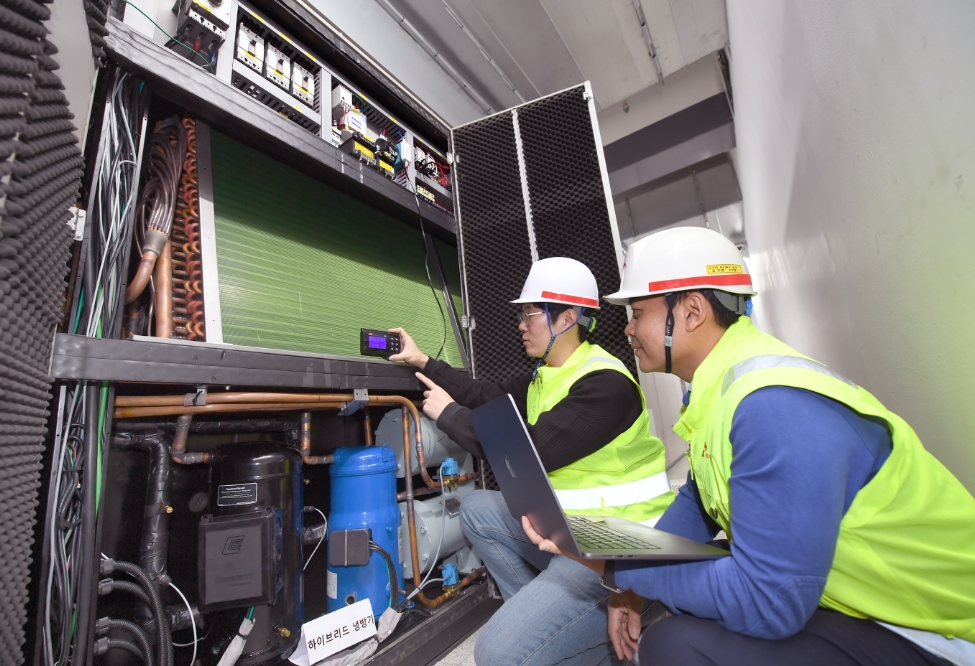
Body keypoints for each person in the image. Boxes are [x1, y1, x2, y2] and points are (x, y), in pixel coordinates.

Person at [522, 227, 975, 666]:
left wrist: (609, 564)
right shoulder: (724, 389)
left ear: (692, 311)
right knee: (681, 611)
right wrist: (631, 583)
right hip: (862, 602)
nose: (628, 329)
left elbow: (768, 604)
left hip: (937, 632)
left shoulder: (772, 407)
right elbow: (691, 515)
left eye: (637, 312)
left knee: (675, 646)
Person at [389, 256, 674, 666]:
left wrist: (449, 415)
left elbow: (527, 448)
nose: (521, 324)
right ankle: (549, 636)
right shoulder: (545, 376)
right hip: (571, 535)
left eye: (530, 314)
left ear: (567, 317)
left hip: (620, 549)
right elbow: (483, 394)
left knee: (495, 652)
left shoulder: (607, 385)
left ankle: (566, 642)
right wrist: (422, 362)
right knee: (477, 509)